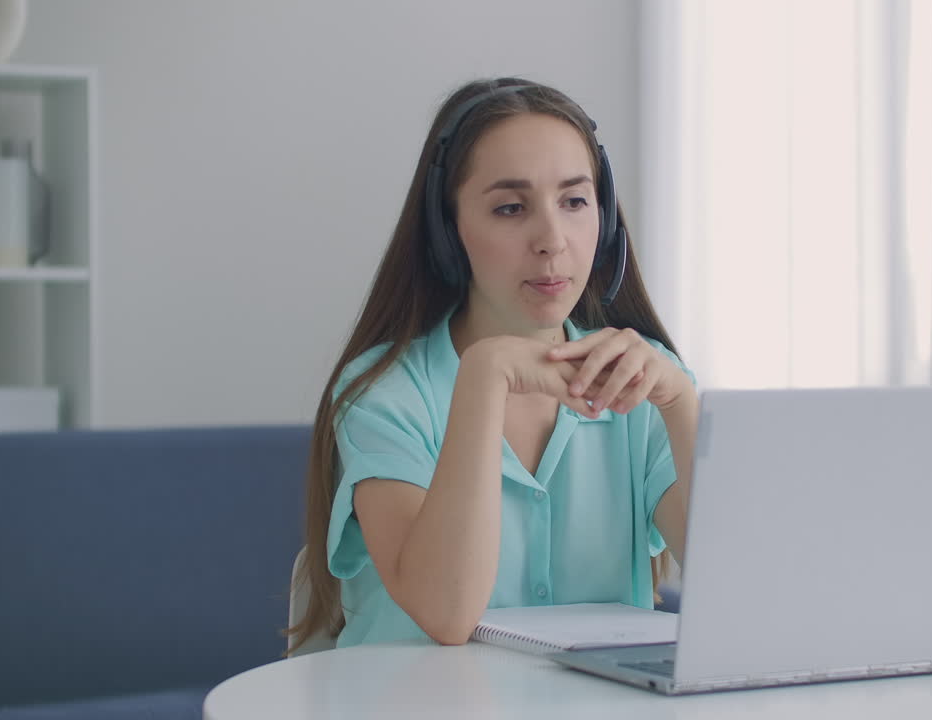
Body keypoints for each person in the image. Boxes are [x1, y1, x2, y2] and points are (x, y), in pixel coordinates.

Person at [288, 78, 698, 652]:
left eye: (575, 202)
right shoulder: (383, 394)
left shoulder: (645, 382)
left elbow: (744, 589)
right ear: (447, 235)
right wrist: (484, 378)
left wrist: (683, 406)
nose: (552, 239)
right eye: (510, 208)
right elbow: (448, 613)